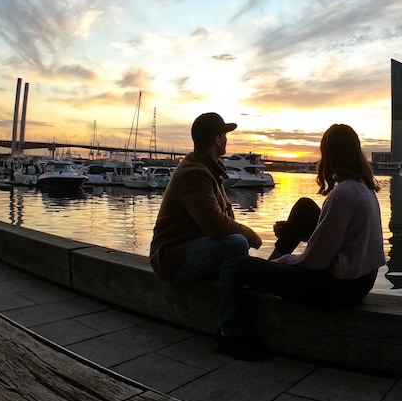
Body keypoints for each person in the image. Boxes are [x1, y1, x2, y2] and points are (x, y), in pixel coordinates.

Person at [150, 112, 265, 360]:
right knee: (236, 244)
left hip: (190, 249)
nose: (226, 139)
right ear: (217, 139)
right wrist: (252, 236)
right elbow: (216, 226)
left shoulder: (207, 168)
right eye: (224, 134)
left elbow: (223, 221)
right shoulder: (194, 173)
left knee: (239, 253)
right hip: (172, 258)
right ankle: (229, 335)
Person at [239, 123, 385, 308]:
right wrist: (292, 228)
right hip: (362, 278)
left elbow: (315, 261)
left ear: (330, 155)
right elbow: (335, 232)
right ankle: (272, 266)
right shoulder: (364, 187)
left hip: (342, 289)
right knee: (305, 208)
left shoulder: (343, 194)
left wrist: (282, 264)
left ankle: (233, 329)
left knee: (242, 266)